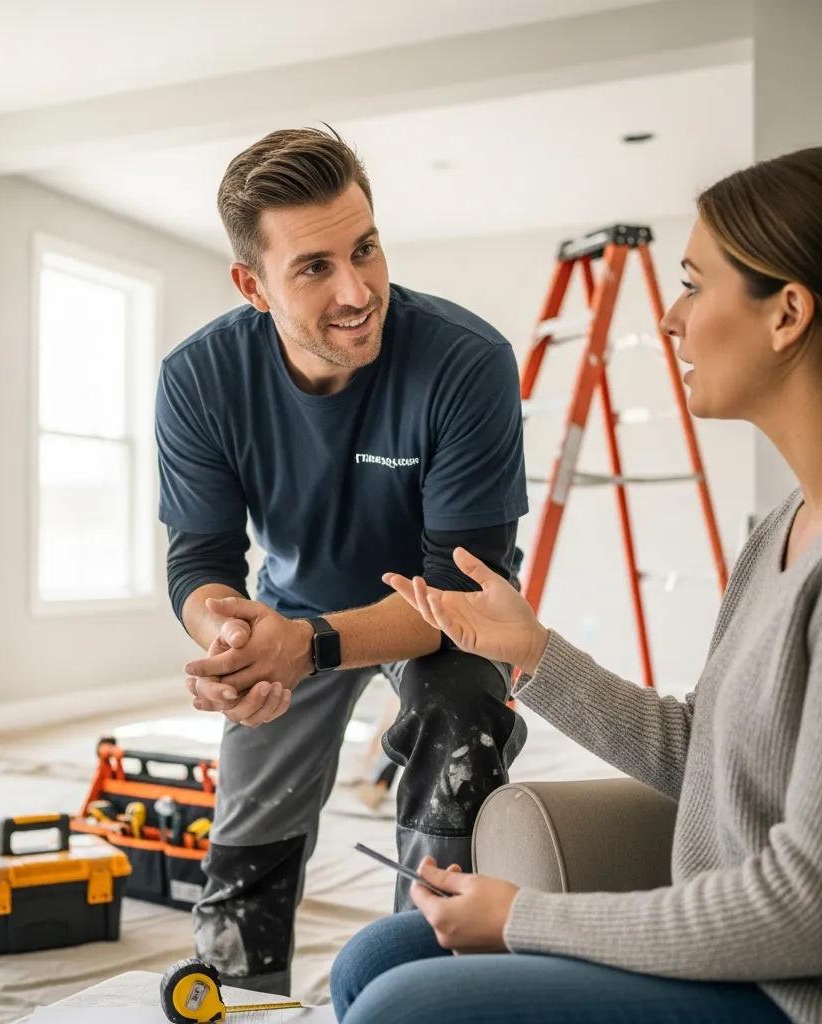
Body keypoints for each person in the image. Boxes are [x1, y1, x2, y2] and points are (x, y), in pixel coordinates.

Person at [330, 147, 822, 1023]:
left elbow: (800, 909)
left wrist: (531, 919)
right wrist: (533, 653)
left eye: (693, 285)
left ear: (787, 313)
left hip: (786, 989)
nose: (670, 320)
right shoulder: (780, 532)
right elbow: (694, 757)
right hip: (722, 944)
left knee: (398, 1008)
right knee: (374, 955)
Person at [155, 127, 529, 994]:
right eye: (314, 267)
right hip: (291, 612)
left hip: (442, 624)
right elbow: (201, 556)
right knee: (244, 846)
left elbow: (460, 594)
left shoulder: (466, 363)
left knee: (460, 721)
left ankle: (430, 987)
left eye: (365, 249)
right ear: (253, 285)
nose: (359, 290)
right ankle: (241, 1001)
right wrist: (228, 637)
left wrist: (305, 643)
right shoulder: (199, 379)